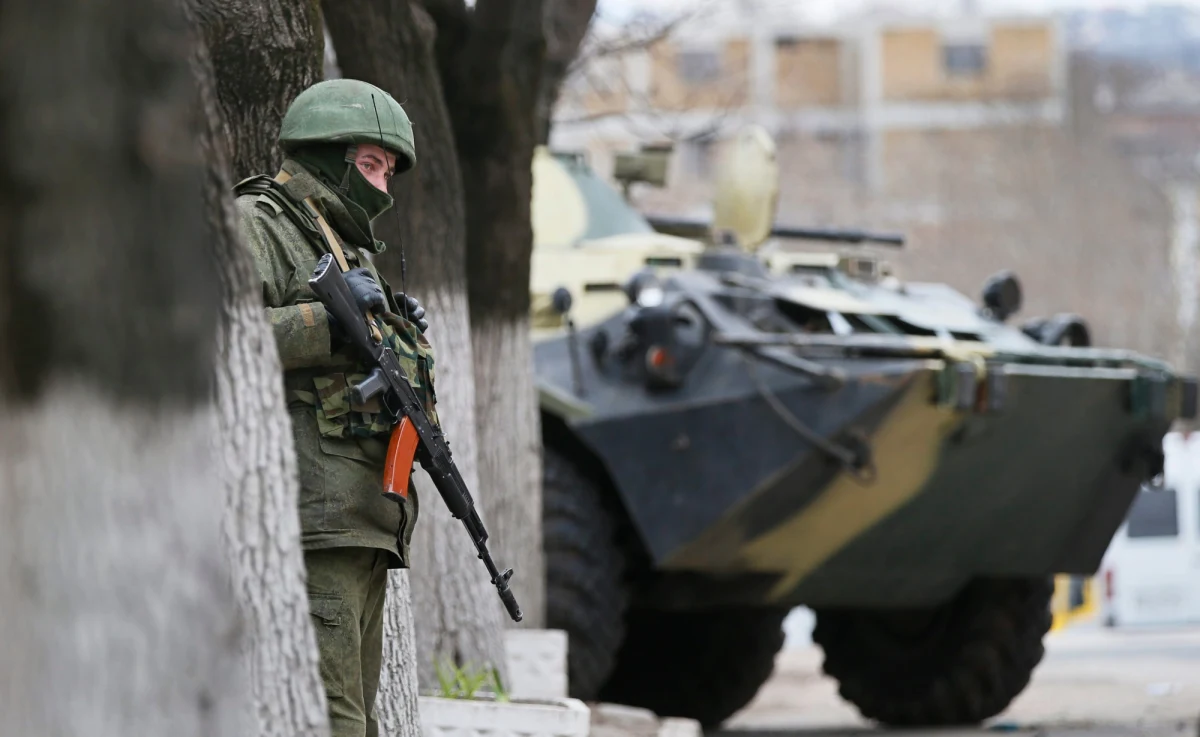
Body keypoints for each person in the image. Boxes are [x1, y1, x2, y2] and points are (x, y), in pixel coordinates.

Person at [232, 78, 436, 737]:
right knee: (333, 720)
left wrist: (395, 328)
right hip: (314, 518)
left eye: (388, 171)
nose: (382, 187)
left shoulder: (339, 243)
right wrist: (329, 321)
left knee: (359, 720)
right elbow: (221, 337)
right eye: (370, 165)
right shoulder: (260, 222)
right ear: (327, 156)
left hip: (363, 520)